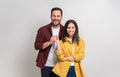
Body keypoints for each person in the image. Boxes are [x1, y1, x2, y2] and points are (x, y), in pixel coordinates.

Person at [34, 7, 64, 77]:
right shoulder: (42, 30)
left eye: (58, 16)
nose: (55, 18)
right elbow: (36, 46)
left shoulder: (65, 30)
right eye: (54, 16)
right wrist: (49, 42)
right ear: (50, 16)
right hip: (46, 66)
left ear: (61, 17)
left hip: (60, 65)